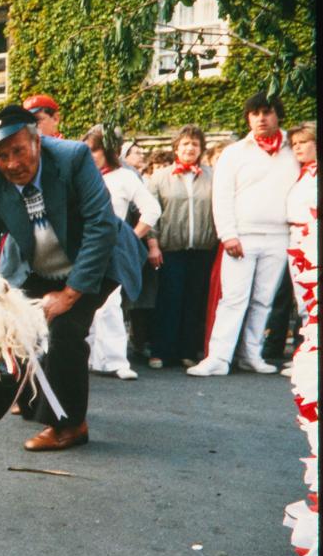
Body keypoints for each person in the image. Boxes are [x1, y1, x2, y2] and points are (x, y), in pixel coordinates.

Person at [0, 105, 146, 451]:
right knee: (17, 323)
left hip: (96, 259)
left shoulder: (73, 158)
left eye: (19, 150)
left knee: (64, 328)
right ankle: (33, 397)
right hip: (37, 265)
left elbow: (100, 225)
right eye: (2, 156)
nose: (13, 164)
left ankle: (70, 425)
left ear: (37, 141)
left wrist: (70, 293)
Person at [189, 92, 300, 377]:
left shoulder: (293, 149)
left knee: (264, 299)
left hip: (280, 235)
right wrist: (228, 235)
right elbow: (222, 196)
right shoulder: (234, 152)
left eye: (267, 112)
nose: (261, 118)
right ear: (248, 118)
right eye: (254, 113)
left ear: (278, 114)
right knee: (233, 298)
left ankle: (251, 354)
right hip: (242, 235)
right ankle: (218, 357)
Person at [82, 125, 161, 381]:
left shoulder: (125, 177)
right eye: (87, 150)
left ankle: (116, 360)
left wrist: (129, 237)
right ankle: (87, 357)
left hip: (110, 247)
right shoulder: (81, 176)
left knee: (110, 304)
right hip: (82, 247)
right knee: (82, 304)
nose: (90, 155)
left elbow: (152, 210)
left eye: (94, 150)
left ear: (107, 151)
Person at [146, 125, 218, 370]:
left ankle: (188, 351)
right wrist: (153, 245)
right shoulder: (160, 177)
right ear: (176, 147)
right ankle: (160, 351)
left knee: (194, 300)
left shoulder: (212, 176)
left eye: (195, 144)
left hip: (202, 249)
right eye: (185, 144)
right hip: (171, 249)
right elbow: (152, 214)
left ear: (201, 149)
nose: (190, 148)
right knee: (169, 299)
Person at [282, 121, 317, 375]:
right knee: (303, 302)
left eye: (303, 142)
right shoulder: (301, 173)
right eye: (294, 144)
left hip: (313, 237)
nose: (298, 148)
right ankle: (308, 354)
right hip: (296, 239)